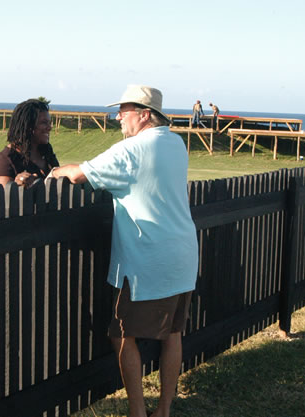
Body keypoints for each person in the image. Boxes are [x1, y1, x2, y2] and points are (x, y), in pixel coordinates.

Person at [49, 85, 198, 417]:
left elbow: (79, 175)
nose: (117, 116)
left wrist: (56, 171)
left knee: (121, 334)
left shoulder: (131, 150)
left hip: (149, 260)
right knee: (173, 334)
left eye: (124, 110)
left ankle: (137, 412)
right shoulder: (175, 142)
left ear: (144, 115)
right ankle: (163, 410)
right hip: (183, 255)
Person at [0, 98, 59, 188]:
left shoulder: (46, 151)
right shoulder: (6, 159)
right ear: (28, 126)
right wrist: (18, 184)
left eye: (49, 123)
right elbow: (1, 196)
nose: (49, 128)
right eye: (44, 123)